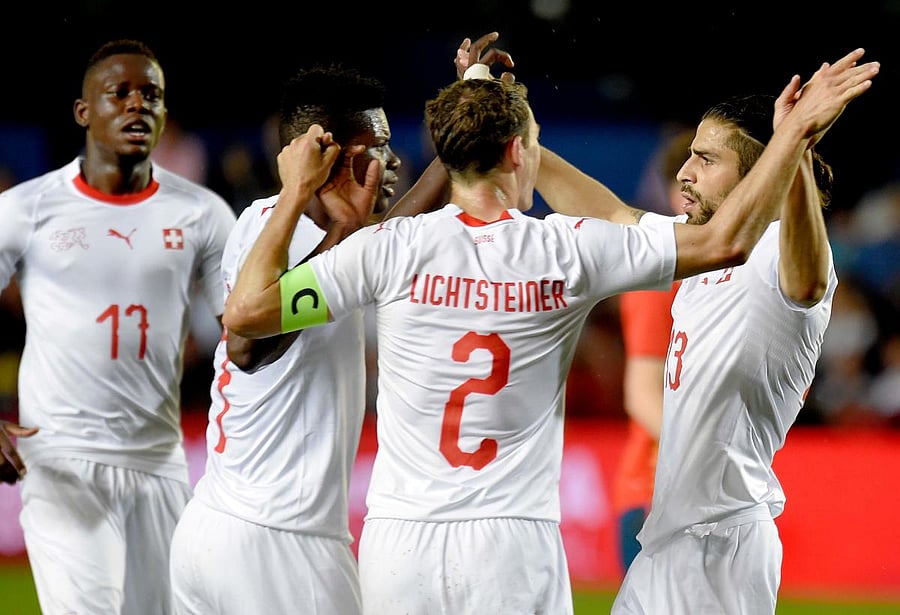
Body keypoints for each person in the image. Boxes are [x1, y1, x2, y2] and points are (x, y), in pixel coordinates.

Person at [221, 48, 877, 614]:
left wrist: (295, 195)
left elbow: (247, 317)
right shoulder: (563, 250)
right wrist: (793, 141)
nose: (682, 172)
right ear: (517, 152)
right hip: (521, 544)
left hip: (404, 543)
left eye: (703, 159)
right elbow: (669, 231)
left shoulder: (384, 248)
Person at [168, 34, 513, 615]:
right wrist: (339, 226)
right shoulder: (273, 230)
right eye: (375, 147)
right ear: (323, 156)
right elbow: (247, 342)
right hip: (278, 541)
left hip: (221, 530)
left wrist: (469, 96)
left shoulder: (303, 230)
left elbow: (396, 228)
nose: (391, 161)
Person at [610, 67, 880, 613]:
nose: (684, 174)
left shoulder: (778, 255)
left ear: (757, 174)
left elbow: (805, 278)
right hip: (668, 532)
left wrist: (794, 143)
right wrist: (521, 142)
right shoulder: (695, 253)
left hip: (719, 542)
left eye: (706, 160)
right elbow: (609, 211)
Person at [0, 39, 236, 614]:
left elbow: (248, 326)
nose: (137, 105)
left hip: (159, 462)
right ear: (84, 112)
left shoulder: (202, 213)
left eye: (151, 95)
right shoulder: (28, 208)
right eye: (120, 93)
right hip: (62, 461)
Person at [612, 127, 694, 573]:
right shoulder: (659, 275)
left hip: (710, 490)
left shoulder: (743, 269)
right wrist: (703, 454)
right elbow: (642, 392)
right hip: (656, 488)